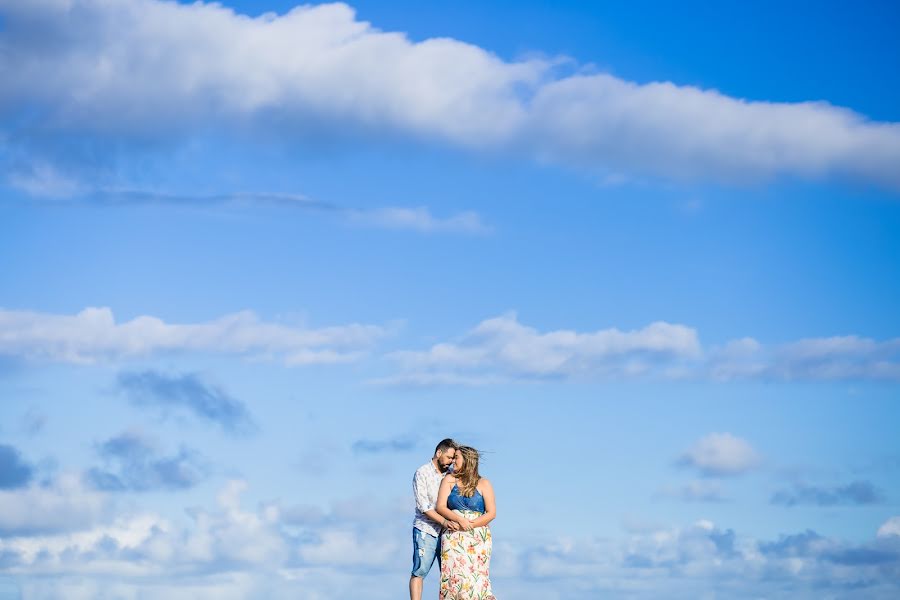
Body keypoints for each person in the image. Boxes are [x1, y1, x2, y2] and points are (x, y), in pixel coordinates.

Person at [436, 445, 497, 600]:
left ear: (467, 461)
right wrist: (459, 520)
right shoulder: (449, 480)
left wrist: (471, 525)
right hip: (454, 535)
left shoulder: (484, 483)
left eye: (456, 457)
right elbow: (440, 506)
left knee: (476, 578)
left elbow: (491, 513)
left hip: (477, 537)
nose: (453, 461)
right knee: (455, 577)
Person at [410, 438, 459, 600]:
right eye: (449, 457)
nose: (451, 462)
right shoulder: (422, 473)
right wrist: (444, 521)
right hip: (426, 529)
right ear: (439, 453)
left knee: (448, 574)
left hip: (448, 532)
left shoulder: (452, 475)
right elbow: (424, 506)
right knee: (420, 570)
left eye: (453, 459)